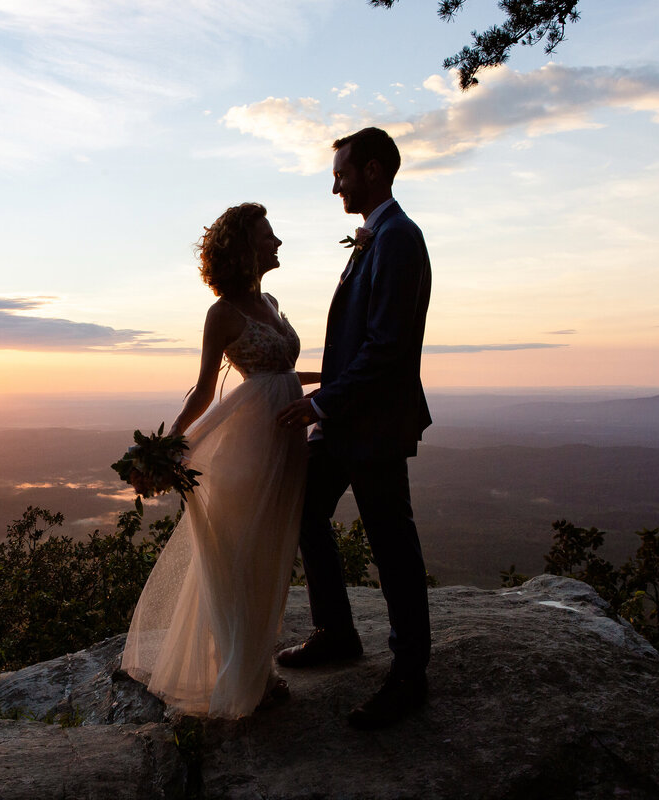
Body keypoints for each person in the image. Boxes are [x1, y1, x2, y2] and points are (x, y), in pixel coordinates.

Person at [121, 203, 319, 718]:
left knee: (274, 552)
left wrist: (334, 385)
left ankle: (254, 666)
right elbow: (205, 391)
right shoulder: (223, 314)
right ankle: (245, 674)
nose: (277, 243)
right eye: (269, 235)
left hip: (287, 444)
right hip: (251, 448)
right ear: (245, 247)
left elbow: (284, 376)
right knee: (242, 558)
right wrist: (163, 445)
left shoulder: (272, 301)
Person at [276, 127, 433, 730]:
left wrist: (321, 405)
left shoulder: (398, 239)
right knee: (305, 507)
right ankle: (337, 632)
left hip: (373, 425)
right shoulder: (377, 237)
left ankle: (409, 675)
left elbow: (387, 347)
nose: (334, 183)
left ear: (372, 170)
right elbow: (357, 345)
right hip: (348, 420)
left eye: (341, 172)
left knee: (392, 542)